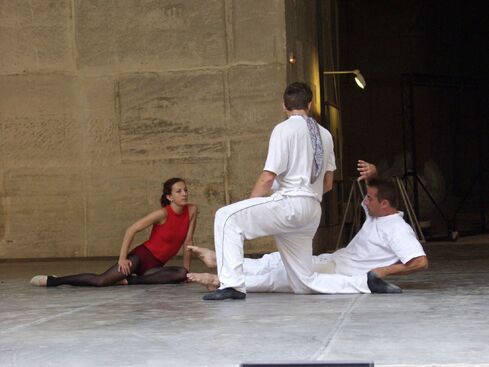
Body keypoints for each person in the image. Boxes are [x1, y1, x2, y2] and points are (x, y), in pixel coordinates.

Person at [202, 82, 400, 300]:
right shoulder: (325, 135)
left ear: (284, 106)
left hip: (290, 204)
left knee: (227, 217)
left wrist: (250, 205)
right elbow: (327, 184)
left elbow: (269, 176)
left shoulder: (283, 129)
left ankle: (232, 285)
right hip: (312, 210)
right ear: (310, 104)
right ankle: (366, 283)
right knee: (303, 281)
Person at [187, 161, 428, 293]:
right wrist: (374, 176)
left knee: (282, 276)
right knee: (276, 260)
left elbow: (419, 262)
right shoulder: (378, 214)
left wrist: (383, 272)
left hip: (340, 272)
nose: (366, 201)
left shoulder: (397, 228)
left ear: (385, 204)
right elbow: (372, 192)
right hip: (333, 260)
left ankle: (221, 280)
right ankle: (220, 260)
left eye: (372, 199)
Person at [30, 178, 197, 287]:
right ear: (169, 197)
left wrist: (187, 270)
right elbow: (131, 230)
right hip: (141, 257)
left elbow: (188, 241)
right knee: (101, 281)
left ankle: (131, 281)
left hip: (155, 266)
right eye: (179, 191)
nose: (184, 194)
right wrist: (122, 259)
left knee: (180, 274)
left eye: (185, 190)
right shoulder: (162, 214)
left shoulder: (192, 210)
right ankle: (54, 280)